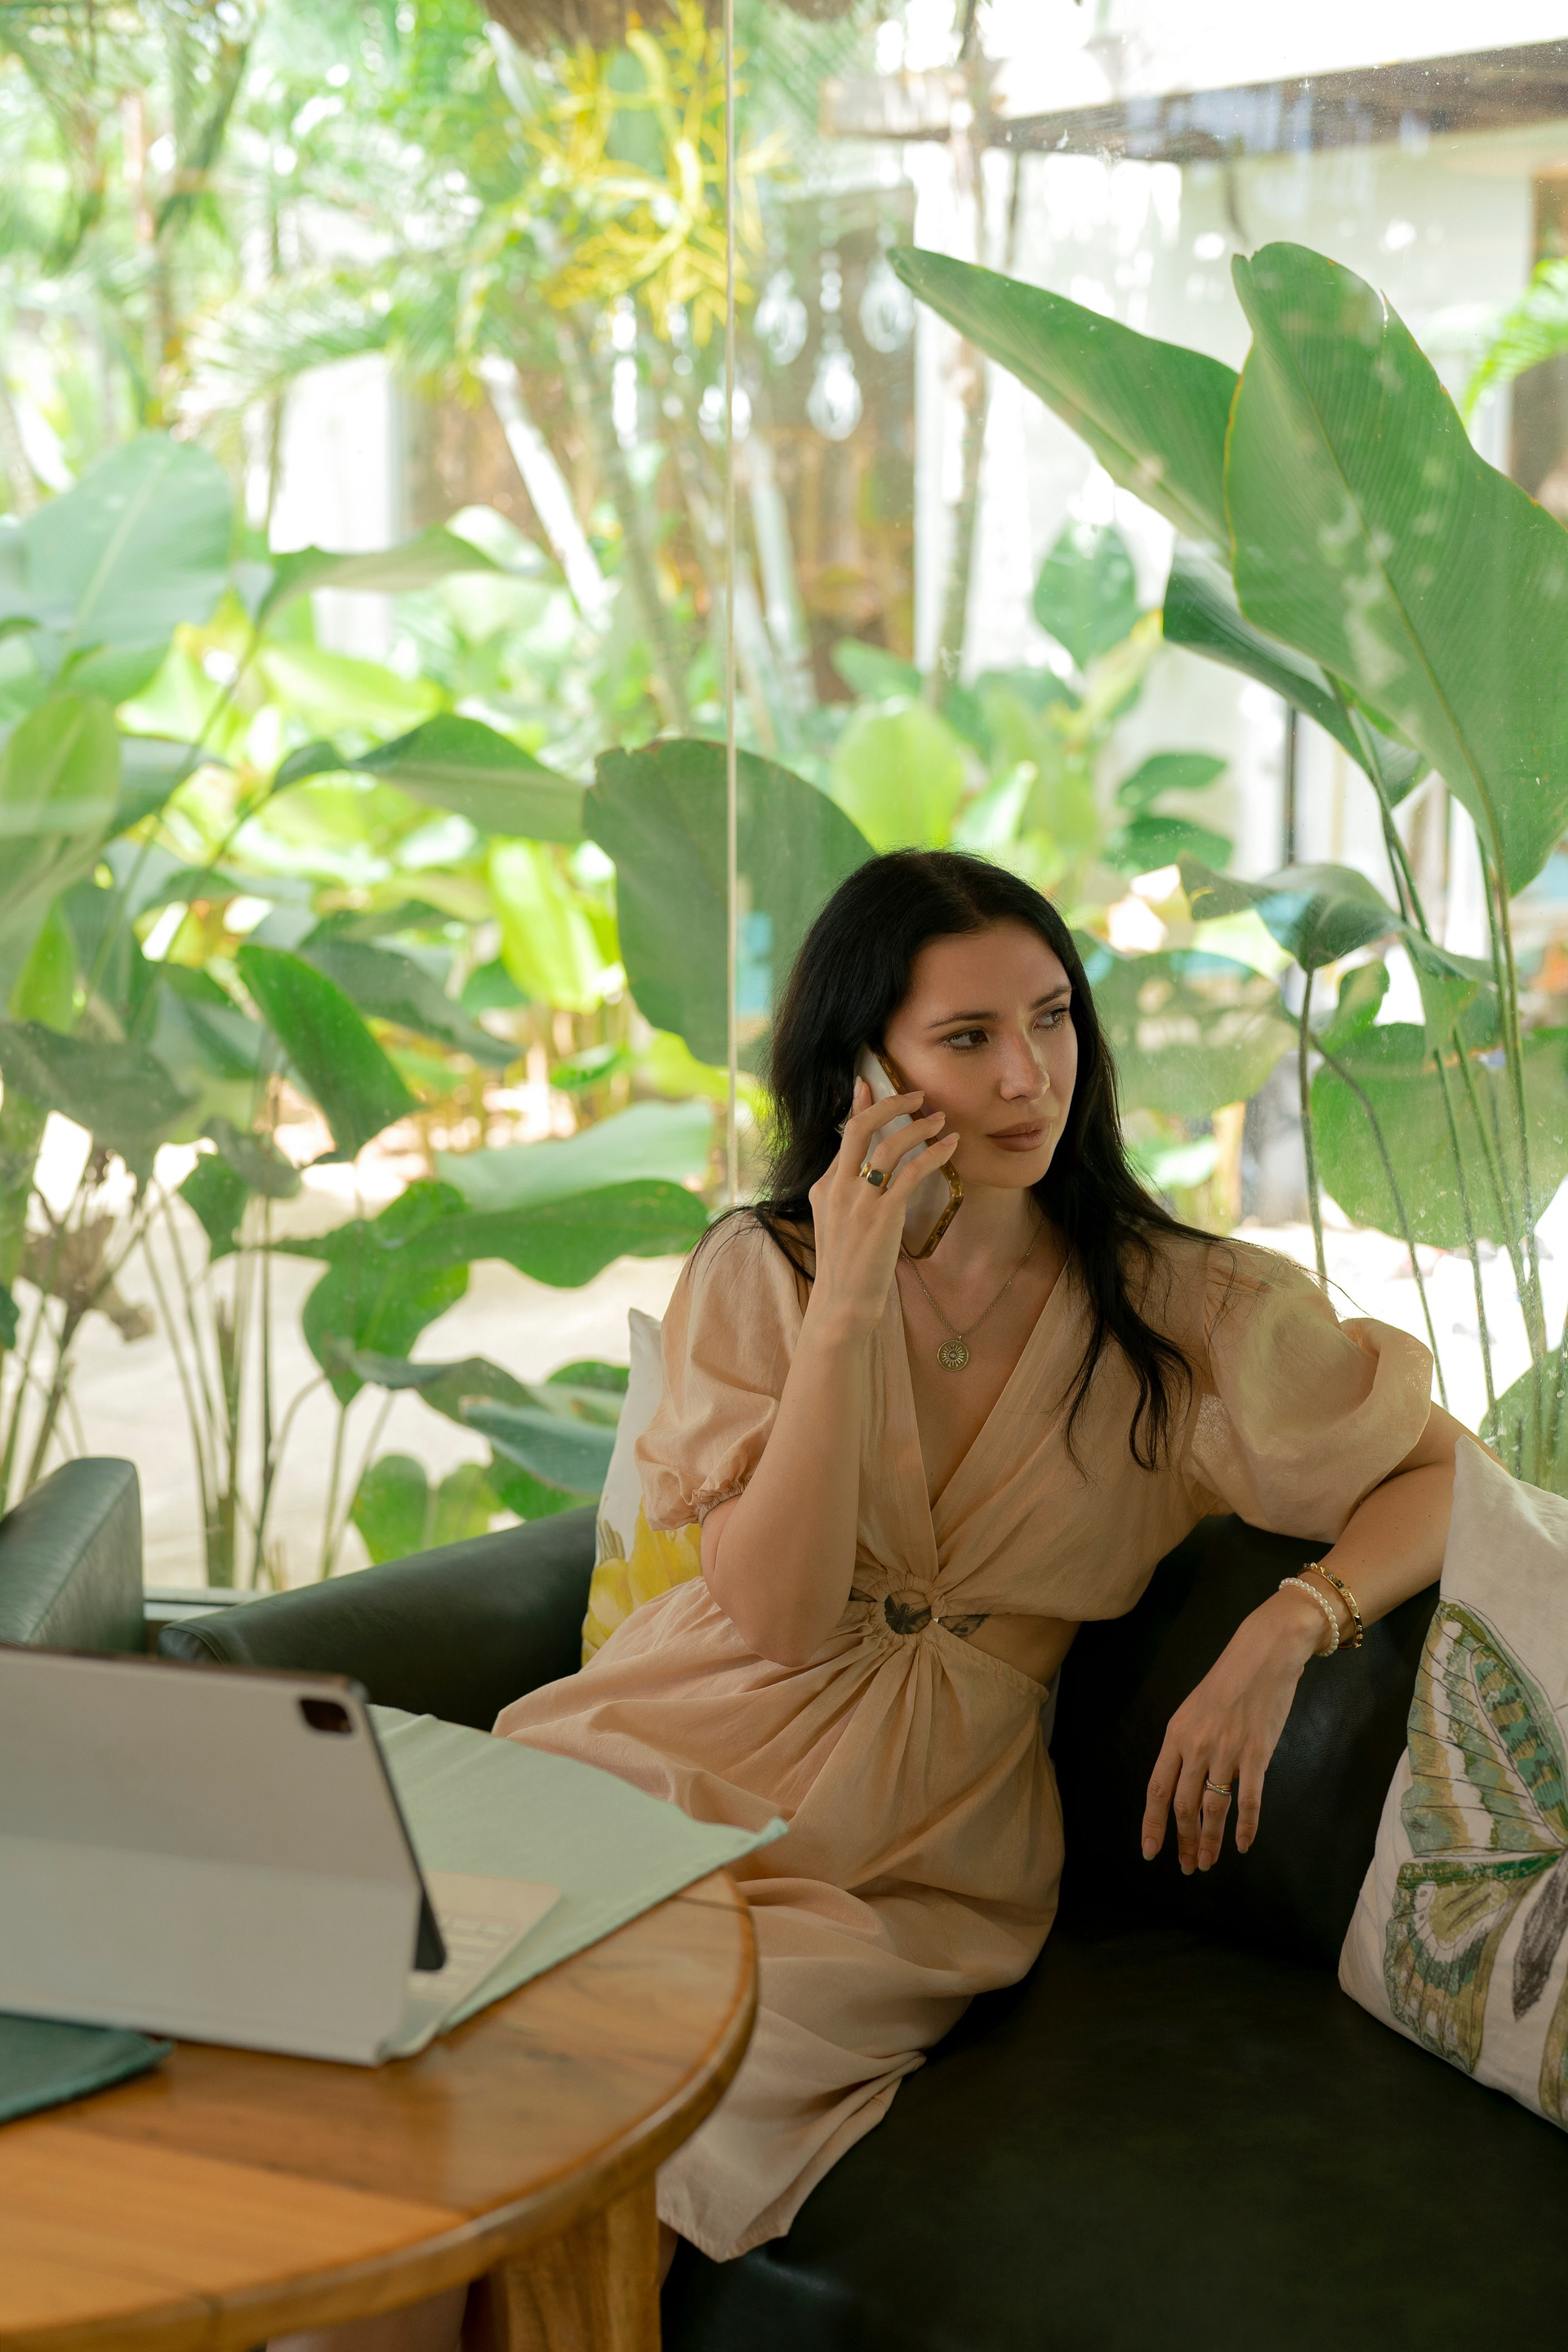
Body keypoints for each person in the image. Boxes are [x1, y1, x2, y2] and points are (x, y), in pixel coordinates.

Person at [278, 848, 1462, 2349]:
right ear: (864, 1074)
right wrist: (847, 1296)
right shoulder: (761, 1273)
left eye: (1051, 1018)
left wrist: (1294, 1623)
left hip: (903, 1857)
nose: (1028, 1076)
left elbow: (1447, 1479)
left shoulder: (1185, 1307)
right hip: (657, 1755)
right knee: (395, 2129)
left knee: (599, 2117)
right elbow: (775, 1620)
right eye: (968, 1038)